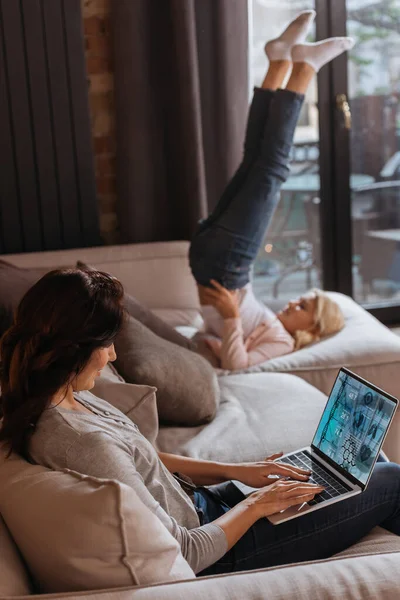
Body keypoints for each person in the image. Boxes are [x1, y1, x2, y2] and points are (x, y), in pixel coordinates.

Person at [1, 267, 400, 577]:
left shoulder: (66, 399)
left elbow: (144, 460)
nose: (113, 357)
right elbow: (187, 552)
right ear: (72, 349)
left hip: (205, 506)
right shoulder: (80, 442)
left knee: (353, 475)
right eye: (105, 345)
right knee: (390, 479)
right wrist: (260, 504)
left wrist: (240, 471)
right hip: (221, 549)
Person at [189, 11, 348, 370]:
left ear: (313, 329)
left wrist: (230, 318)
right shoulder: (272, 325)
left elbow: (237, 364)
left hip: (225, 265)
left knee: (273, 169)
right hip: (215, 258)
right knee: (255, 161)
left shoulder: (282, 341)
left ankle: (303, 69)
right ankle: (279, 61)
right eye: (301, 301)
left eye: (303, 308)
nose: (293, 304)